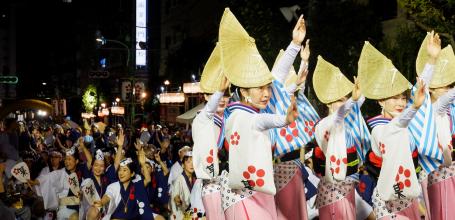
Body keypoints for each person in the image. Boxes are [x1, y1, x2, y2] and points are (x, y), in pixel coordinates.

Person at [217, 8, 299, 219]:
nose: (266, 94)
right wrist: (285, 119)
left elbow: (277, 79)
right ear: (244, 91)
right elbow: (261, 121)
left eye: (267, 88)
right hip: (244, 195)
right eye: (260, 89)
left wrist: (295, 45)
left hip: (256, 188)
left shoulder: (240, 112)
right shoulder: (246, 117)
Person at [358, 38, 440, 219]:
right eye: (394, 98)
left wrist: (432, 60)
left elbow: (418, 92)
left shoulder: (406, 122)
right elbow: (395, 127)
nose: (401, 103)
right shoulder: (377, 127)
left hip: (409, 195)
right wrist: (413, 108)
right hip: (388, 199)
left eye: (403, 98)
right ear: (380, 101)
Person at [312, 55, 365, 219]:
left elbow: (361, 97)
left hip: (348, 185)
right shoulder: (324, 125)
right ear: (329, 103)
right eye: (339, 100)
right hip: (333, 188)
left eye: (345, 100)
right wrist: (352, 100)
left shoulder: (344, 124)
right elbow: (341, 113)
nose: (344, 104)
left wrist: (361, 69)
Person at [415, 33, 455, 220]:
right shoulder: (430, 110)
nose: (447, 90)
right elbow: (422, 87)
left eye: (450, 85)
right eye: (443, 86)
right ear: (430, 88)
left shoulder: (449, 111)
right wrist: (431, 59)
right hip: (436, 174)